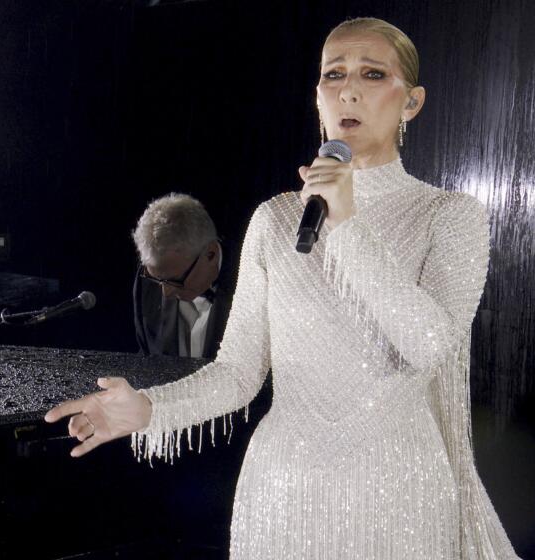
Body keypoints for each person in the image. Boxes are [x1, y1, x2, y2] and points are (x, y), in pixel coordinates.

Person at [46, 17, 521, 559]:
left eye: (371, 73)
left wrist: (347, 226)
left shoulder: (450, 215)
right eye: (333, 74)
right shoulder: (275, 219)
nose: (348, 89)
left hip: (399, 493)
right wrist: (149, 410)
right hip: (283, 492)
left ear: (410, 102)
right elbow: (239, 372)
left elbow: (431, 345)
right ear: (317, 95)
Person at [132, 193, 234, 360]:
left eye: (174, 280)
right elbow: (148, 360)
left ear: (211, 254)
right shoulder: (149, 279)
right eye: (156, 279)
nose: (165, 293)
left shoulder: (255, 282)